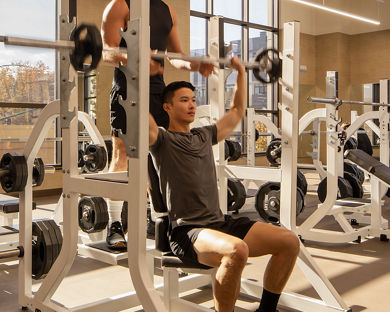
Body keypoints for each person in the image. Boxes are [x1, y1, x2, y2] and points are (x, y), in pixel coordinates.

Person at [149, 56, 300, 312]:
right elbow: (141, 115)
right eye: (183, 100)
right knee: (236, 251)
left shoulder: (204, 135)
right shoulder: (162, 140)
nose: (191, 105)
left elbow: (237, 111)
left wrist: (241, 72)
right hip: (189, 232)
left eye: (193, 100)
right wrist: (140, 70)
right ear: (167, 108)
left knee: (289, 241)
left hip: (219, 222)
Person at [101, 0, 214, 249]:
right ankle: (115, 224)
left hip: (157, 93)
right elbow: (107, 52)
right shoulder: (119, 5)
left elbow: (175, 57)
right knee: (122, 155)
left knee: (162, 157)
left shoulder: (168, 9)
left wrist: (194, 64)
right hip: (126, 90)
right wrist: (134, 60)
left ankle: (161, 220)